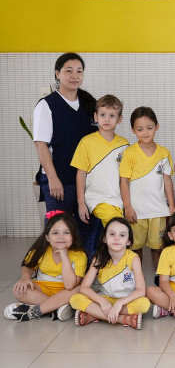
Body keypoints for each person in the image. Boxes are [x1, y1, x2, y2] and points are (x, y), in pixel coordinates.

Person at [33, 53, 100, 240]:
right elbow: (40, 144)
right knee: (59, 233)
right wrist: (53, 179)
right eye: (69, 71)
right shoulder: (47, 105)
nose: (75, 76)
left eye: (79, 71)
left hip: (85, 181)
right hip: (59, 180)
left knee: (87, 234)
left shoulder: (89, 104)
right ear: (57, 74)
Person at [71, 94, 129, 259]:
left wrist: (128, 203)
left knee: (115, 233)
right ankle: (117, 265)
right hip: (96, 198)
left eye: (112, 115)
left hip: (117, 200)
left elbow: (126, 178)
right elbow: (80, 174)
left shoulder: (124, 144)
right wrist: (81, 203)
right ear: (95, 117)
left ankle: (107, 263)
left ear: (119, 119)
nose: (107, 119)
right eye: (103, 114)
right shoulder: (86, 142)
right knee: (117, 228)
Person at [120, 107, 175, 271]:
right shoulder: (130, 152)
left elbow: (167, 180)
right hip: (136, 212)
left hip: (158, 210)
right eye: (140, 129)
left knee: (158, 248)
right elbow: (124, 182)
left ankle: (161, 280)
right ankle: (137, 280)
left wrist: (172, 205)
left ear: (156, 127)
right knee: (135, 248)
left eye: (149, 128)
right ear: (133, 130)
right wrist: (128, 207)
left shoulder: (164, 153)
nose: (145, 132)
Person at [4, 211, 86, 322]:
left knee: (78, 290)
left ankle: (36, 310)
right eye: (55, 233)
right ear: (47, 237)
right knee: (19, 290)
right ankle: (57, 308)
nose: (61, 237)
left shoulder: (80, 255)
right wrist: (25, 278)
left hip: (65, 292)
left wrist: (65, 257)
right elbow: (28, 265)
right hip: (43, 289)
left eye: (66, 232)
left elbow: (70, 285)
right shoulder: (41, 250)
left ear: (73, 236)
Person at [70, 218, 150, 329]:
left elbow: (141, 290)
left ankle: (95, 315)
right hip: (105, 299)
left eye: (122, 235)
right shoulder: (99, 258)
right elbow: (84, 287)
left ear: (128, 241)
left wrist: (119, 303)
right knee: (75, 299)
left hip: (126, 301)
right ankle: (123, 319)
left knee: (144, 304)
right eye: (112, 234)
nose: (117, 238)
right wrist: (102, 302)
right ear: (105, 238)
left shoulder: (133, 258)